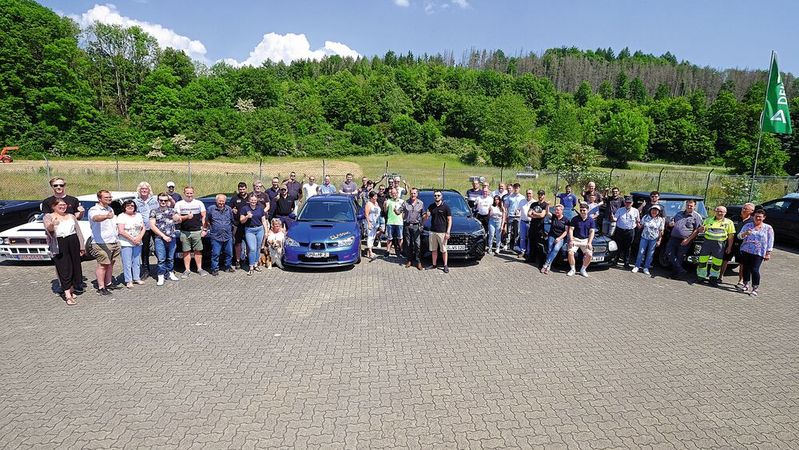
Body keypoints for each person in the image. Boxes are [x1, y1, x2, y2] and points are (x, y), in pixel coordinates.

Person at [43, 198, 85, 305]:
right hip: (59, 243)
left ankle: (71, 289)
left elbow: (78, 231)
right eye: (60, 205)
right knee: (64, 268)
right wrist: (53, 224)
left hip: (73, 241)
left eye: (64, 205)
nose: (63, 207)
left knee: (74, 266)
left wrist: (81, 246)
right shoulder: (48, 216)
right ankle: (67, 295)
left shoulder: (70, 216)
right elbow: (49, 230)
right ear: (54, 206)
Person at [688, 205, 735, 286]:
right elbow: (702, 229)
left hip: (720, 244)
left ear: (725, 213)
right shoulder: (708, 220)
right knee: (702, 260)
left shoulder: (729, 222)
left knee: (717, 263)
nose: (719, 213)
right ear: (715, 212)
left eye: (722, 212)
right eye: (718, 211)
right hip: (707, 243)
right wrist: (702, 229)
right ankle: (701, 277)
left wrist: (729, 247)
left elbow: (731, 236)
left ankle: (713, 279)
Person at [88, 190, 120, 295]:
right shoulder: (94, 209)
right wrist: (105, 216)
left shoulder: (110, 208)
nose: (109, 199)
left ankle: (109, 283)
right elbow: (95, 218)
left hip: (113, 240)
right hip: (101, 242)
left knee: (110, 263)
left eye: (110, 197)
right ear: (99, 199)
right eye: (106, 197)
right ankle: (101, 287)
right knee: (103, 264)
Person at [737, 209, 774, 297]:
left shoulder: (768, 228)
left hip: (759, 252)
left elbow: (770, 241)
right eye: (756, 216)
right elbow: (739, 236)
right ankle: (746, 284)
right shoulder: (747, 225)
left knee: (755, 270)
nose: (757, 218)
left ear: (764, 218)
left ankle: (755, 288)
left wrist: (768, 253)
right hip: (746, 250)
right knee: (746, 268)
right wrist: (745, 233)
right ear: (753, 216)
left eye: (760, 217)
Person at [664, 199, 703, 279]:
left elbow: (696, 230)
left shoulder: (697, 217)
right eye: (688, 205)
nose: (689, 207)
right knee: (669, 253)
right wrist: (671, 224)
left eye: (691, 206)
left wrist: (688, 240)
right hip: (673, 238)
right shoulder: (679, 213)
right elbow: (672, 221)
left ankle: (675, 274)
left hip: (685, 240)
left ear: (694, 206)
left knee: (680, 257)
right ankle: (681, 270)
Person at [174, 186, 208, 277]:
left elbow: (204, 217)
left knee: (198, 251)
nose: (189, 195)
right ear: (184, 193)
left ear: (194, 193)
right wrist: (186, 217)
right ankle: (187, 270)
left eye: (191, 193)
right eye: (187, 193)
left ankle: (199, 269)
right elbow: (176, 218)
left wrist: (204, 229)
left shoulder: (199, 203)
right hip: (184, 232)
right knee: (186, 251)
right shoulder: (179, 204)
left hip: (197, 231)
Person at [149, 193, 181, 286]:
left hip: (172, 238)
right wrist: (163, 236)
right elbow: (152, 226)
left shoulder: (172, 210)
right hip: (160, 238)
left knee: (170, 257)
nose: (163, 202)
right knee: (161, 258)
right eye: (161, 200)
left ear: (168, 201)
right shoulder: (154, 211)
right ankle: (161, 275)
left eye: (165, 200)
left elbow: (178, 219)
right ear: (158, 201)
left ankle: (170, 273)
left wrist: (177, 218)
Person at [723, 202, 755, 286]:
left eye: (745, 209)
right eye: (743, 208)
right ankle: (720, 277)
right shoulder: (734, 218)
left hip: (743, 245)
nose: (743, 210)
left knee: (742, 263)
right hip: (731, 242)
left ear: (751, 211)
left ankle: (740, 280)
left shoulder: (752, 221)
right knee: (725, 259)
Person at [116, 199, 145, 288]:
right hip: (126, 243)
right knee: (127, 262)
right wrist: (132, 239)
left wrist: (139, 237)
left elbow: (143, 227)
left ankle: (137, 277)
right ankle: (129, 280)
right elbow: (121, 231)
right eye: (128, 205)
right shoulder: (121, 216)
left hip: (138, 242)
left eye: (132, 206)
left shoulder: (139, 215)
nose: (130, 207)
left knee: (136, 261)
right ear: (124, 207)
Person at [206, 194, 236, 276]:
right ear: (216, 201)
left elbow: (232, 220)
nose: (221, 202)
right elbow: (207, 220)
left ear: (225, 201)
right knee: (216, 254)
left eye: (223, 201)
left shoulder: (229, 209)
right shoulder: (211, 209)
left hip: (227, 235)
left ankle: (228, 267)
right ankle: (215, 269)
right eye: (220, 201)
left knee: (229, 253)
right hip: (216, 235)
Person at [239, 193, 268, 276]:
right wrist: (247, 217)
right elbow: (241, 220)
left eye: (255, 200)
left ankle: (256, 264)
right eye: (252, 200)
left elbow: (263, 220)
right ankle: (251, 267)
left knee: (258, 248)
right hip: (249, 230)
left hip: (259, 229)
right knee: (252, 248)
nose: (253, 201)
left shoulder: (260, 208)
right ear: (249, 200)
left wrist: (266, 231)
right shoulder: (245, 208)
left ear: (257, 200)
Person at [133, 181, 157, 279]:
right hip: (143, 228)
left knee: (159, 247)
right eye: (142, 189)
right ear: (139, 190)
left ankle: (161, 268)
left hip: (155, 227)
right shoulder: (135, 202)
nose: (144, 190)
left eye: (146, 189)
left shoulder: (155, 200)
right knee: (145, 250)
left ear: (149, 190)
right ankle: (146, 269)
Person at [423, 190, 452, 273]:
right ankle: (434, 264)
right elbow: (426, 218)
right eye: (435, 195)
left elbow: (450, 220)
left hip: (442, 232)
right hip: (432, 231)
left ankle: (445, 265)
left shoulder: (446, 207)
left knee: (443, 250)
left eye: (438, 195)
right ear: (433, 197)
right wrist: (426, 216)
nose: (437, 197)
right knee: (434, 250)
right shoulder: (431, 206)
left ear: (441, 196)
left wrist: (448, 232)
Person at [632, 204, 665, 275]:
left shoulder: (660, 220)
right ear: (650, 210)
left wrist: (659, 240)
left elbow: (661, 231)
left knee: (650, 254)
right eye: (653, 210)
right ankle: (637, 266)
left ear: (658, 212)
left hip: (653, 239)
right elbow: (640, 227)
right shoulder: (646, 217)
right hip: (644, 238)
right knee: (641, 252)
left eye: (656, 210)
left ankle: (646, 267)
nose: (654, 212)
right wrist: (637, 222)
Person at [567, 203, 596, 277]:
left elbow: (592, 232)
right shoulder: (575, 219)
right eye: (581, 210)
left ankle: (583, 270)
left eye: (584, 210)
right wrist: (571, 240)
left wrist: (589, 243)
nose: (582, 212)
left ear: (587, 210)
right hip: (575, 239)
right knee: (570, 253)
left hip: (585, 240)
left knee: (589, 254)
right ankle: (573, 269)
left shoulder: (591, 220)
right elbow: (571, 230)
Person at [400, 188, 425, 269]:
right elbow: (399, 210)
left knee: (417, 244)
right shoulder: (405, 202)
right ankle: (409, 260)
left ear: (417, 194)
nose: (413, 195)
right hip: (407, 225)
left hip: (416, 226)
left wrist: (426, 216)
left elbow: (423, 214)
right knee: (408, 244)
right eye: (411, 193)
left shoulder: (420, 203)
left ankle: (418, 261)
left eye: (414, 193)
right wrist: (396, 211)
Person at [541, 204, 570, 274]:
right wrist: (547, 206)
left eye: (558, 210)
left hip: (561, 237)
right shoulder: (553, 217)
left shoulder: (566, 220)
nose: (556, 211)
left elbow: (566, 231)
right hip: (552, 235)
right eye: (556, 210)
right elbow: (547, 213)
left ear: (561, 211)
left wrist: (559, 238)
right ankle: (549, 266)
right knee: (549, 250)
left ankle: (546, 264)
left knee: (556, 249)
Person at [612, 196, 640, 268]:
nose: (628, 204)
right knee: (618, 246)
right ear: (624, 203)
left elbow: (638, 221)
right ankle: (615, 260)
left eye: (629, 203)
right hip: (620, 230)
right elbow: (615, 218)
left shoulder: (636, 211)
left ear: (632, 203)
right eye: (627, 202)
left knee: (628, 247)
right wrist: (612, 218)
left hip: (630, 231)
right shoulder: (620, 210)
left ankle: (626, 262)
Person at [229, 182, 250, 269]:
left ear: (246, 189)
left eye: (243, 189)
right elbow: (229, 208)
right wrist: (232, 210)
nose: (242, 191)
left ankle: (249, 259)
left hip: (249, 225)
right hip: (237, 225)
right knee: (238, 244)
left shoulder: (250, 197)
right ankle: (237, 261)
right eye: (240, 189)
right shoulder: (234, 198)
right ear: (238, 189)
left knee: (249, 243)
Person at [527, 190, 550, 267]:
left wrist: (534, 214)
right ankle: (531, 258)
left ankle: (541, 262)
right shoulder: (534, 204)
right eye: (539, 194)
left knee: (540, 245)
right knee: (532, 242)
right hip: (532, 226)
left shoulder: (545, 205)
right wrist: (536, 215)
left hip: (540, 227)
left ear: (544, 195)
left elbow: (542, 215)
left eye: (542, 194)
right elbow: (528, 213)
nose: (540, 196)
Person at [503, 183, 524, 253]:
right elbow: (505, 206)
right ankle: (507, 244)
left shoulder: (522, 197)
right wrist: (506, 215)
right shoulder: (510, 197)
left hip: (518, 217)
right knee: (508, 231)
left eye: (517, 188)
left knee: (517, 232)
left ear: (519, 189)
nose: (516, 189)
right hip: (511, 215)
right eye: (515, 188)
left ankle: (515, 245)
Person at [384, 188, 404, 258]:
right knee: (389, 238)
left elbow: (403, 211)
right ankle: (388, 251)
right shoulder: (388, 201)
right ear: (391, 194)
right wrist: (384, 205)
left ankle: (401, 251)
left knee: (400, 238)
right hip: (390, 222)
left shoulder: (402, 201)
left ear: (397, 193)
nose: (394, 194)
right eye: (392, 193)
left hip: (399, 222)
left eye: (395, 193)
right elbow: (385, 211)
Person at [364, 191, 381, 259]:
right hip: (370, 222)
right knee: (370, 237)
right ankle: (370, 252)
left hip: (375, 223)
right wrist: (368, 223)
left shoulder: (376, 203)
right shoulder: (368, 204)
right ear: (371, 197)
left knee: (373, 237)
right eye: (374, 197)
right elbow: (366, 214)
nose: (375, 198)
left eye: (376, 196)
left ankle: (369, 252)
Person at [518, 189, 535, 258]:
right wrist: (517, 212)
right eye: (527, 193)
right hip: (523, 222)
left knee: (529, 238)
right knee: (522, 238)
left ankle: (528, 252)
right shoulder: (522, 201)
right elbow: (518, 209)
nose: (529, 195)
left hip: (531, 223)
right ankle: (522, 251)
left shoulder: (534, 202)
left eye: (530, 193)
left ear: (532, 194)